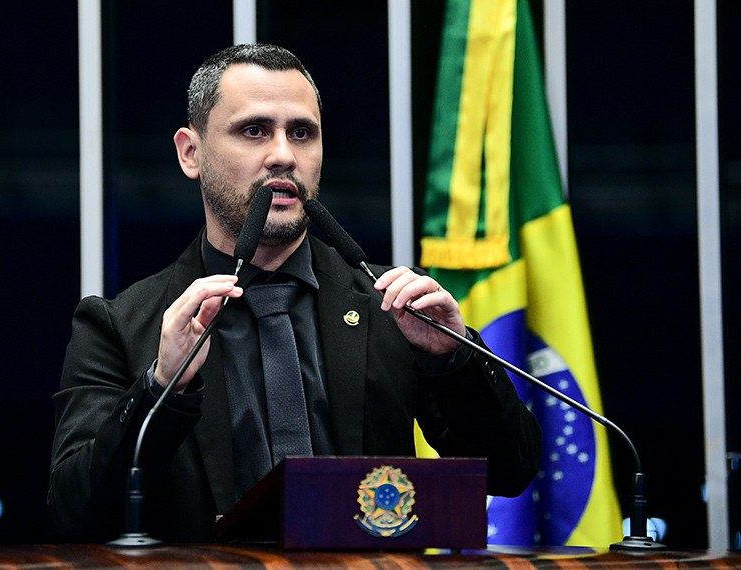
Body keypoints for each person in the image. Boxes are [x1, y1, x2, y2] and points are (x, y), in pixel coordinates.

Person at [48, 43, 541, 543]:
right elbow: (76, 513)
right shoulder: (121, 326)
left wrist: (451, 360)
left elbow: (511, 471)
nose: (283, 155)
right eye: (254, 130)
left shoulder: (391, 306)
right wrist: (161, 389)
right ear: (190, 153)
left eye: (302, 133)